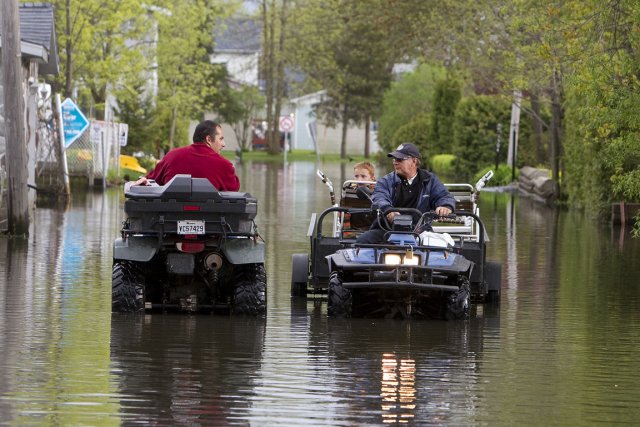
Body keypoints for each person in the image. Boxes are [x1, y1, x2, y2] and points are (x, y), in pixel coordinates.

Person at [356, 142, 455, 244]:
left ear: (414, 161)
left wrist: (445, 206)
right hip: (387, 230)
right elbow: (379, 197)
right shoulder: (385, 181)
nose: (395, 162)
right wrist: (388, 210)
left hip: (420, 232)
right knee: (361, 242)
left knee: (443, 249)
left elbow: (444, 196)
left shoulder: (430, 180)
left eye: (399, 159)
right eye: (394, 159)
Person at [133, 120, 240, 191]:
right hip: (211, 221)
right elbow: (234, 189)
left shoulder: (171, 156)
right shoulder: (224, 165)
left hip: (169, 219)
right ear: (208, 139)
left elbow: (151, 180)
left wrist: (143, 179)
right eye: (221, 139)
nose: (224, 144)